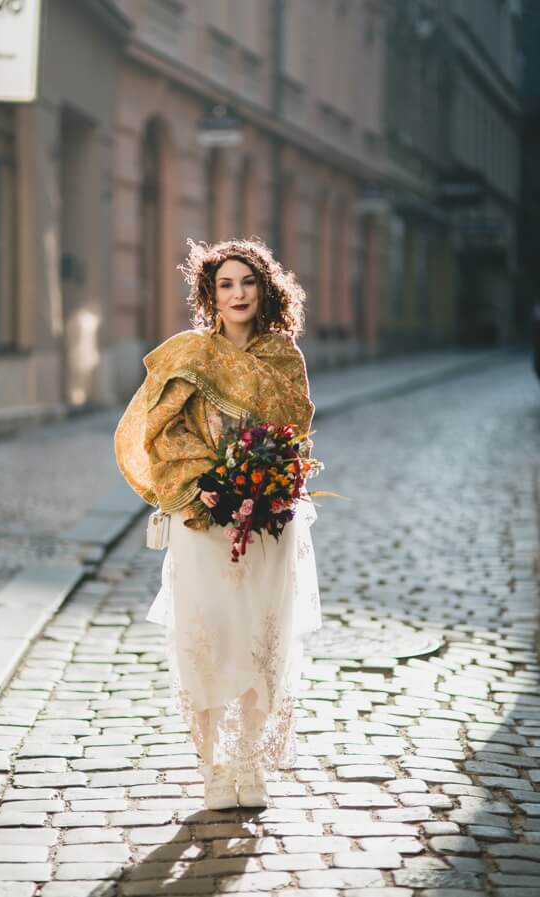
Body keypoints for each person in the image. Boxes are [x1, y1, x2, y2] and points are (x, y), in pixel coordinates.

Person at [114, 237, 322, 811]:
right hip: (202, 520)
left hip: (267, 524)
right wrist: (212, 480)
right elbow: (157, 431)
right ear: (210, 293)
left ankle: (251, 765)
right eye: (226, 284)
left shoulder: (283, 357)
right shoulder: (189, 355)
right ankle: (213, 769)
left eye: (247, 282)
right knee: (205, 642)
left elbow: (296, 437)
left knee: (260, 641)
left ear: (265, 290)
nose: (237, 293)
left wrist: (262, 483)